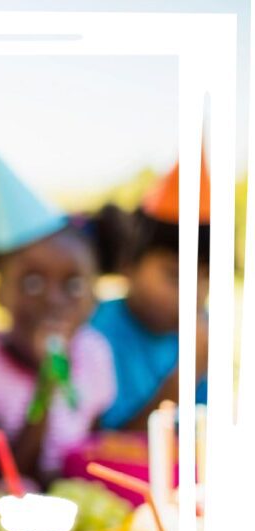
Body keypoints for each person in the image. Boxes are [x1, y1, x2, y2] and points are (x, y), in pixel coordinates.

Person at [0, 153, 118, 486]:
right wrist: (48, 383)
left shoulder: (95, 355)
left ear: (95, 297)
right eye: (32, 282)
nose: (53, 300)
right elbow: (9, 478)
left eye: (73, 285)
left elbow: (88, 457)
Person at [90, 158, 211, 431]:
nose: (195, 293)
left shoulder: (202, 330)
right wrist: (183, 379)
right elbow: (104, 445)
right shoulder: (96, 335)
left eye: (206, 277)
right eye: (176, 276)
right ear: (127, 265)